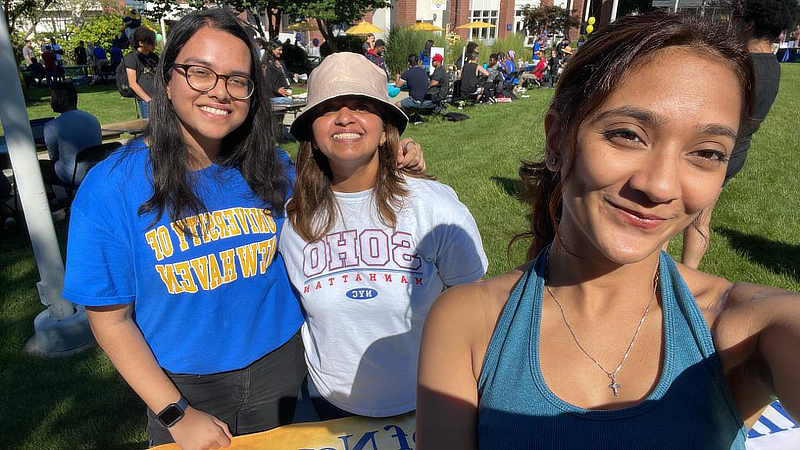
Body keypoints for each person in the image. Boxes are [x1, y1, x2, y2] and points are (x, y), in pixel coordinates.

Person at [416, 13, 799, 449]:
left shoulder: (744, 330)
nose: (659, 186)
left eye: (707, 153)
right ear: (558, 140)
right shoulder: (469, 322)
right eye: (627, 135)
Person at [64, 11, 425, 449]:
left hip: (285, 370)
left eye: (238, 79)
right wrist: (174, 413)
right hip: (184, 386)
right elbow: (111, 320)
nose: (220, 90)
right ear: (167, 78)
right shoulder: (110, 189)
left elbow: (348, 196)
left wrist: (393, 158)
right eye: (200, 72)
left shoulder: (275, 168)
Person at [282, 52, 487, 421]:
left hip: (425, 401)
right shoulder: (292, 217)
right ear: (312, 131)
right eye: (328, 109)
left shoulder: (434, 208)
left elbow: (477, 307)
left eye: (361, 106)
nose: (345, 117)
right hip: (328, 406)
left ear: (384, 128)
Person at [674, 0, 795, 269]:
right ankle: (688, 278)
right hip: (735, 152)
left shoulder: (739, 65)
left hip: (707, 151)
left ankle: (649, 273)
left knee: (669, 212)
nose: (734, 23)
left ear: (750, 24)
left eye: (738, 18)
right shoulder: (773, 67)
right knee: (700, 219)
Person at [38, 82, 102, 194]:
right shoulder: (92, 119)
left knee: (38, 167)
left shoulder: (52, 126)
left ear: (61, 99)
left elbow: (54, 157)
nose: (50, 102)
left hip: (73, 176)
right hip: (96, 171)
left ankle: (52, 206)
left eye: (52, 97)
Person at [124, 27, 159, 119]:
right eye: (151, 42)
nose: (154, 44)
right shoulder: (131, 58)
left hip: (158, 99)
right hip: (146, 102)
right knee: (149, 130)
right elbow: (132, 83)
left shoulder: (154, 57)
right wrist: (148, 100)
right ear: (141, 43)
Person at [264, 40, 292, 105]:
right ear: (272, 49)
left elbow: (284, 73)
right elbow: (265, 82)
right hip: (273, 97)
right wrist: (277, 89)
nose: (281, 52)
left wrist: (294, 74)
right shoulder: (266, 63)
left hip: (283, 94)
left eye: (281, 50)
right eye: (279, 50)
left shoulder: (280, 61)